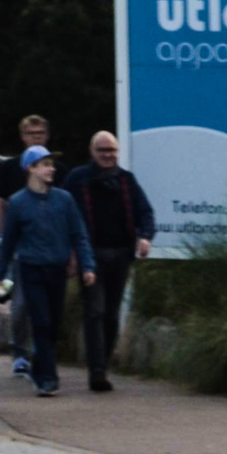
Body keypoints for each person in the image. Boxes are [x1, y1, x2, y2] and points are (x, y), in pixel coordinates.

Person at [58, 131, 156, 392]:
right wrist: (70, 253)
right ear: (92, 152)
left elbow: (145, 213)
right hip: (90, 255)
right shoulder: (78, 180)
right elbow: (63, 213)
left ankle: (104, 362)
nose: (107, 155)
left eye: (112, 150)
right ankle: (97, 371)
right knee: (95, 311)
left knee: (111, 315)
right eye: (102, 150)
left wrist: (144, 237)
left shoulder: (126, 181)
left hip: (121, 255)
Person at [0, 145, 90, 398]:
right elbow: (9, 242)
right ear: (31, 168)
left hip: (56, 270)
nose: (52, 169)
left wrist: (87, 265)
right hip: (30, 269)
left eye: (52, 164)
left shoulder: (64, 199)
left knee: (53, 324)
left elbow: (79, 234)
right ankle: (48, 378)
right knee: (41, 322)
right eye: (45, 164)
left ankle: (39, 368)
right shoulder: (17, 203)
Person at [0, 113, 51, 376]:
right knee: (21, 304)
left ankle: (41, 353)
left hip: (49, 248)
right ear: (22, 137)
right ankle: (19, 353)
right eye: (30, 134)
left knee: (47, 305)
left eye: (40, 133)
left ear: (46, 136)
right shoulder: (10, 168)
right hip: (19, 249)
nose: (35, 137)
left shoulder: (55, 169)